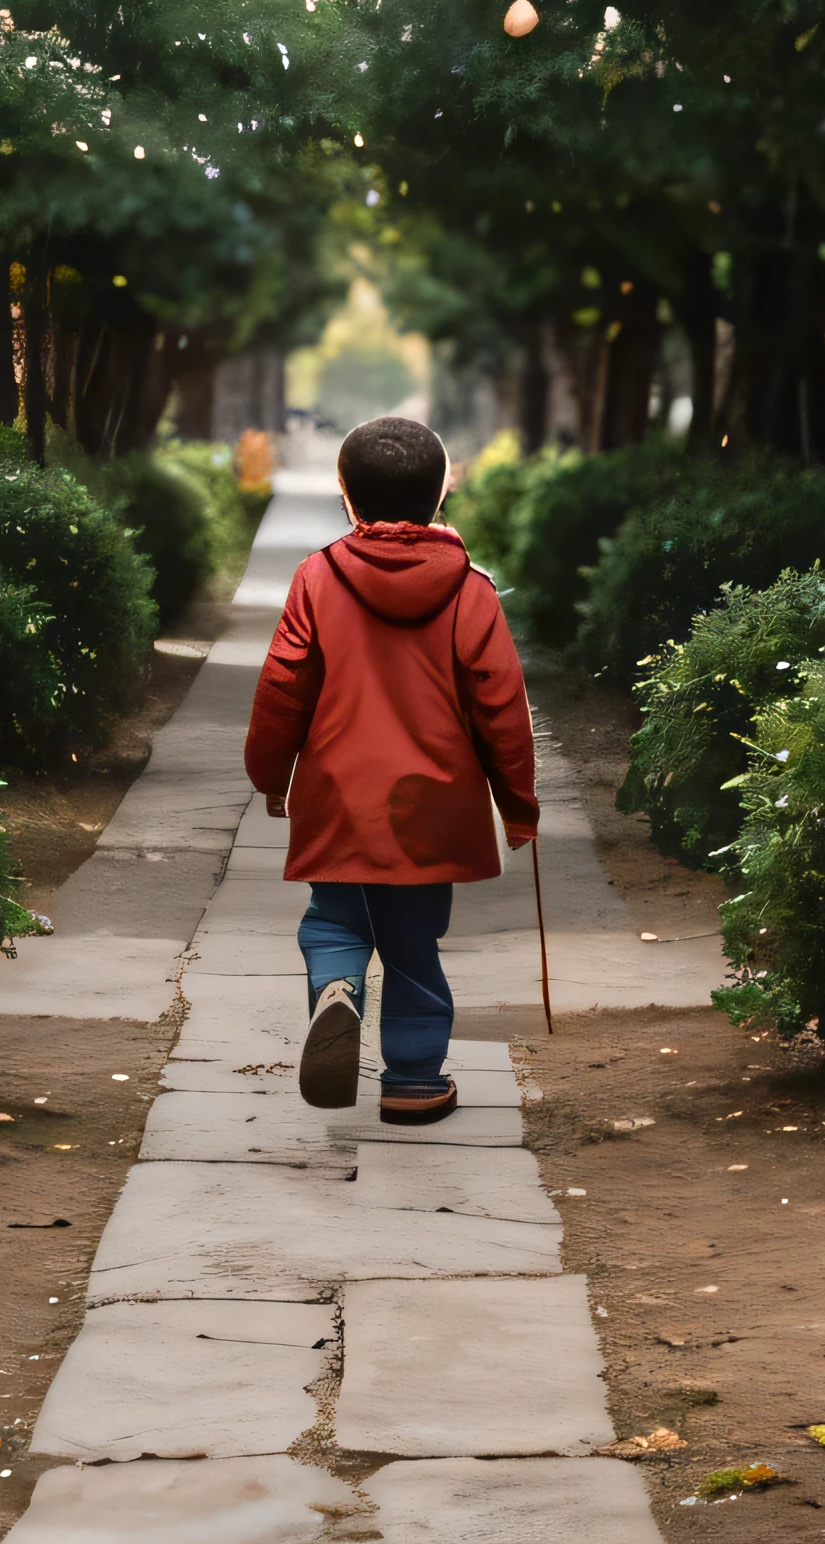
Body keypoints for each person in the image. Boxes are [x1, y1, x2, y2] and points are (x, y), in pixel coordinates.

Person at [242, 413, 540, 1126]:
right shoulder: (470, 591)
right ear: (441, 494)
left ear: (346, 496)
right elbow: (502, 705)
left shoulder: (317, 578)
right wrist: (517, 804)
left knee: (333, 919)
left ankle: (337, 989)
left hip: (338, 793)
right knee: (412, 943)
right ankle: (412, 1080)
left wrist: (270, 774)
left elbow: (284, 684)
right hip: (432, 804)